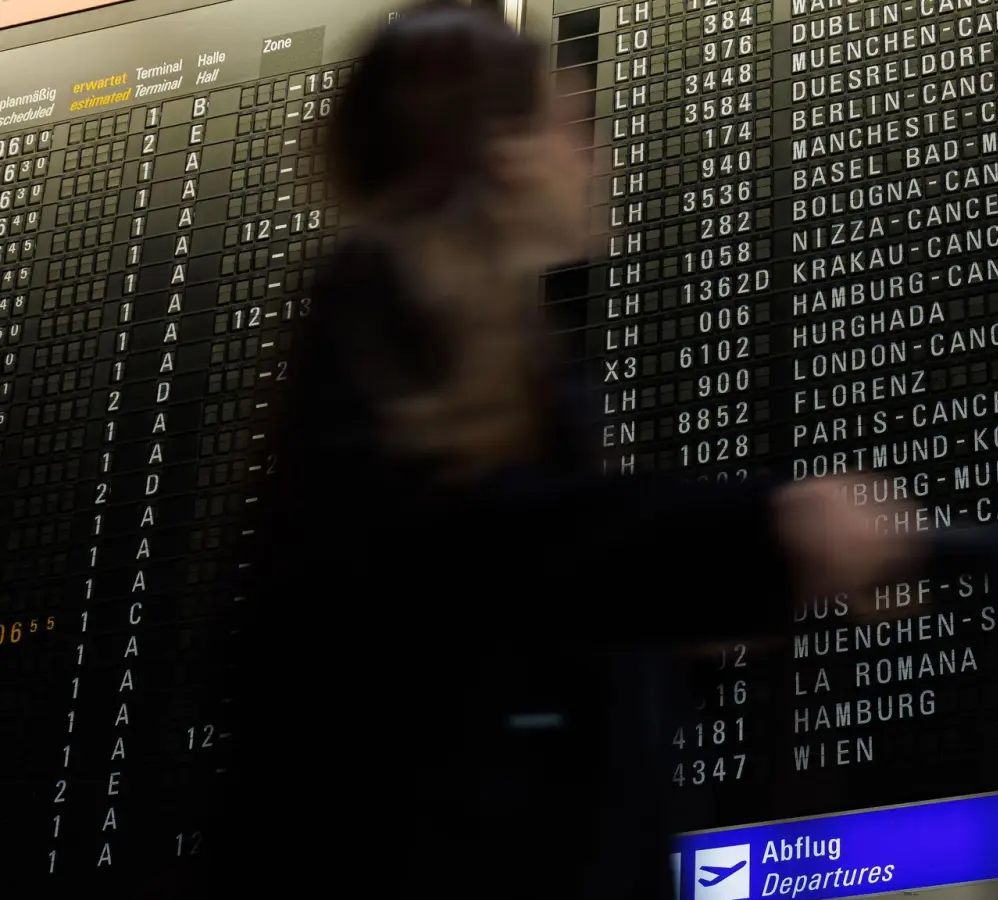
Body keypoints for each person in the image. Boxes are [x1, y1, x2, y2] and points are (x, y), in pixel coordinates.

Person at [205, 3, 925, 897]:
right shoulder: (379, 304)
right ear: (500, 149)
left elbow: (532, 637)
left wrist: (690, 635)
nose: (601, 158)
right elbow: (488, 554)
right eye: (573, 127)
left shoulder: (509, 366)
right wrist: (766, 530)